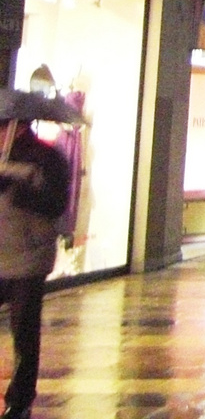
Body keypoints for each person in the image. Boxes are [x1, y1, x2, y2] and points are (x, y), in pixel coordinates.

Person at [0, 117, 70, 419]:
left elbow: (56, 203)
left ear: (17, 127)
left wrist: (17, 191)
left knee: (24, 329)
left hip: (29, 256)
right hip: (2, 249)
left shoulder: (47, 157)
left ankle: (21, 399)